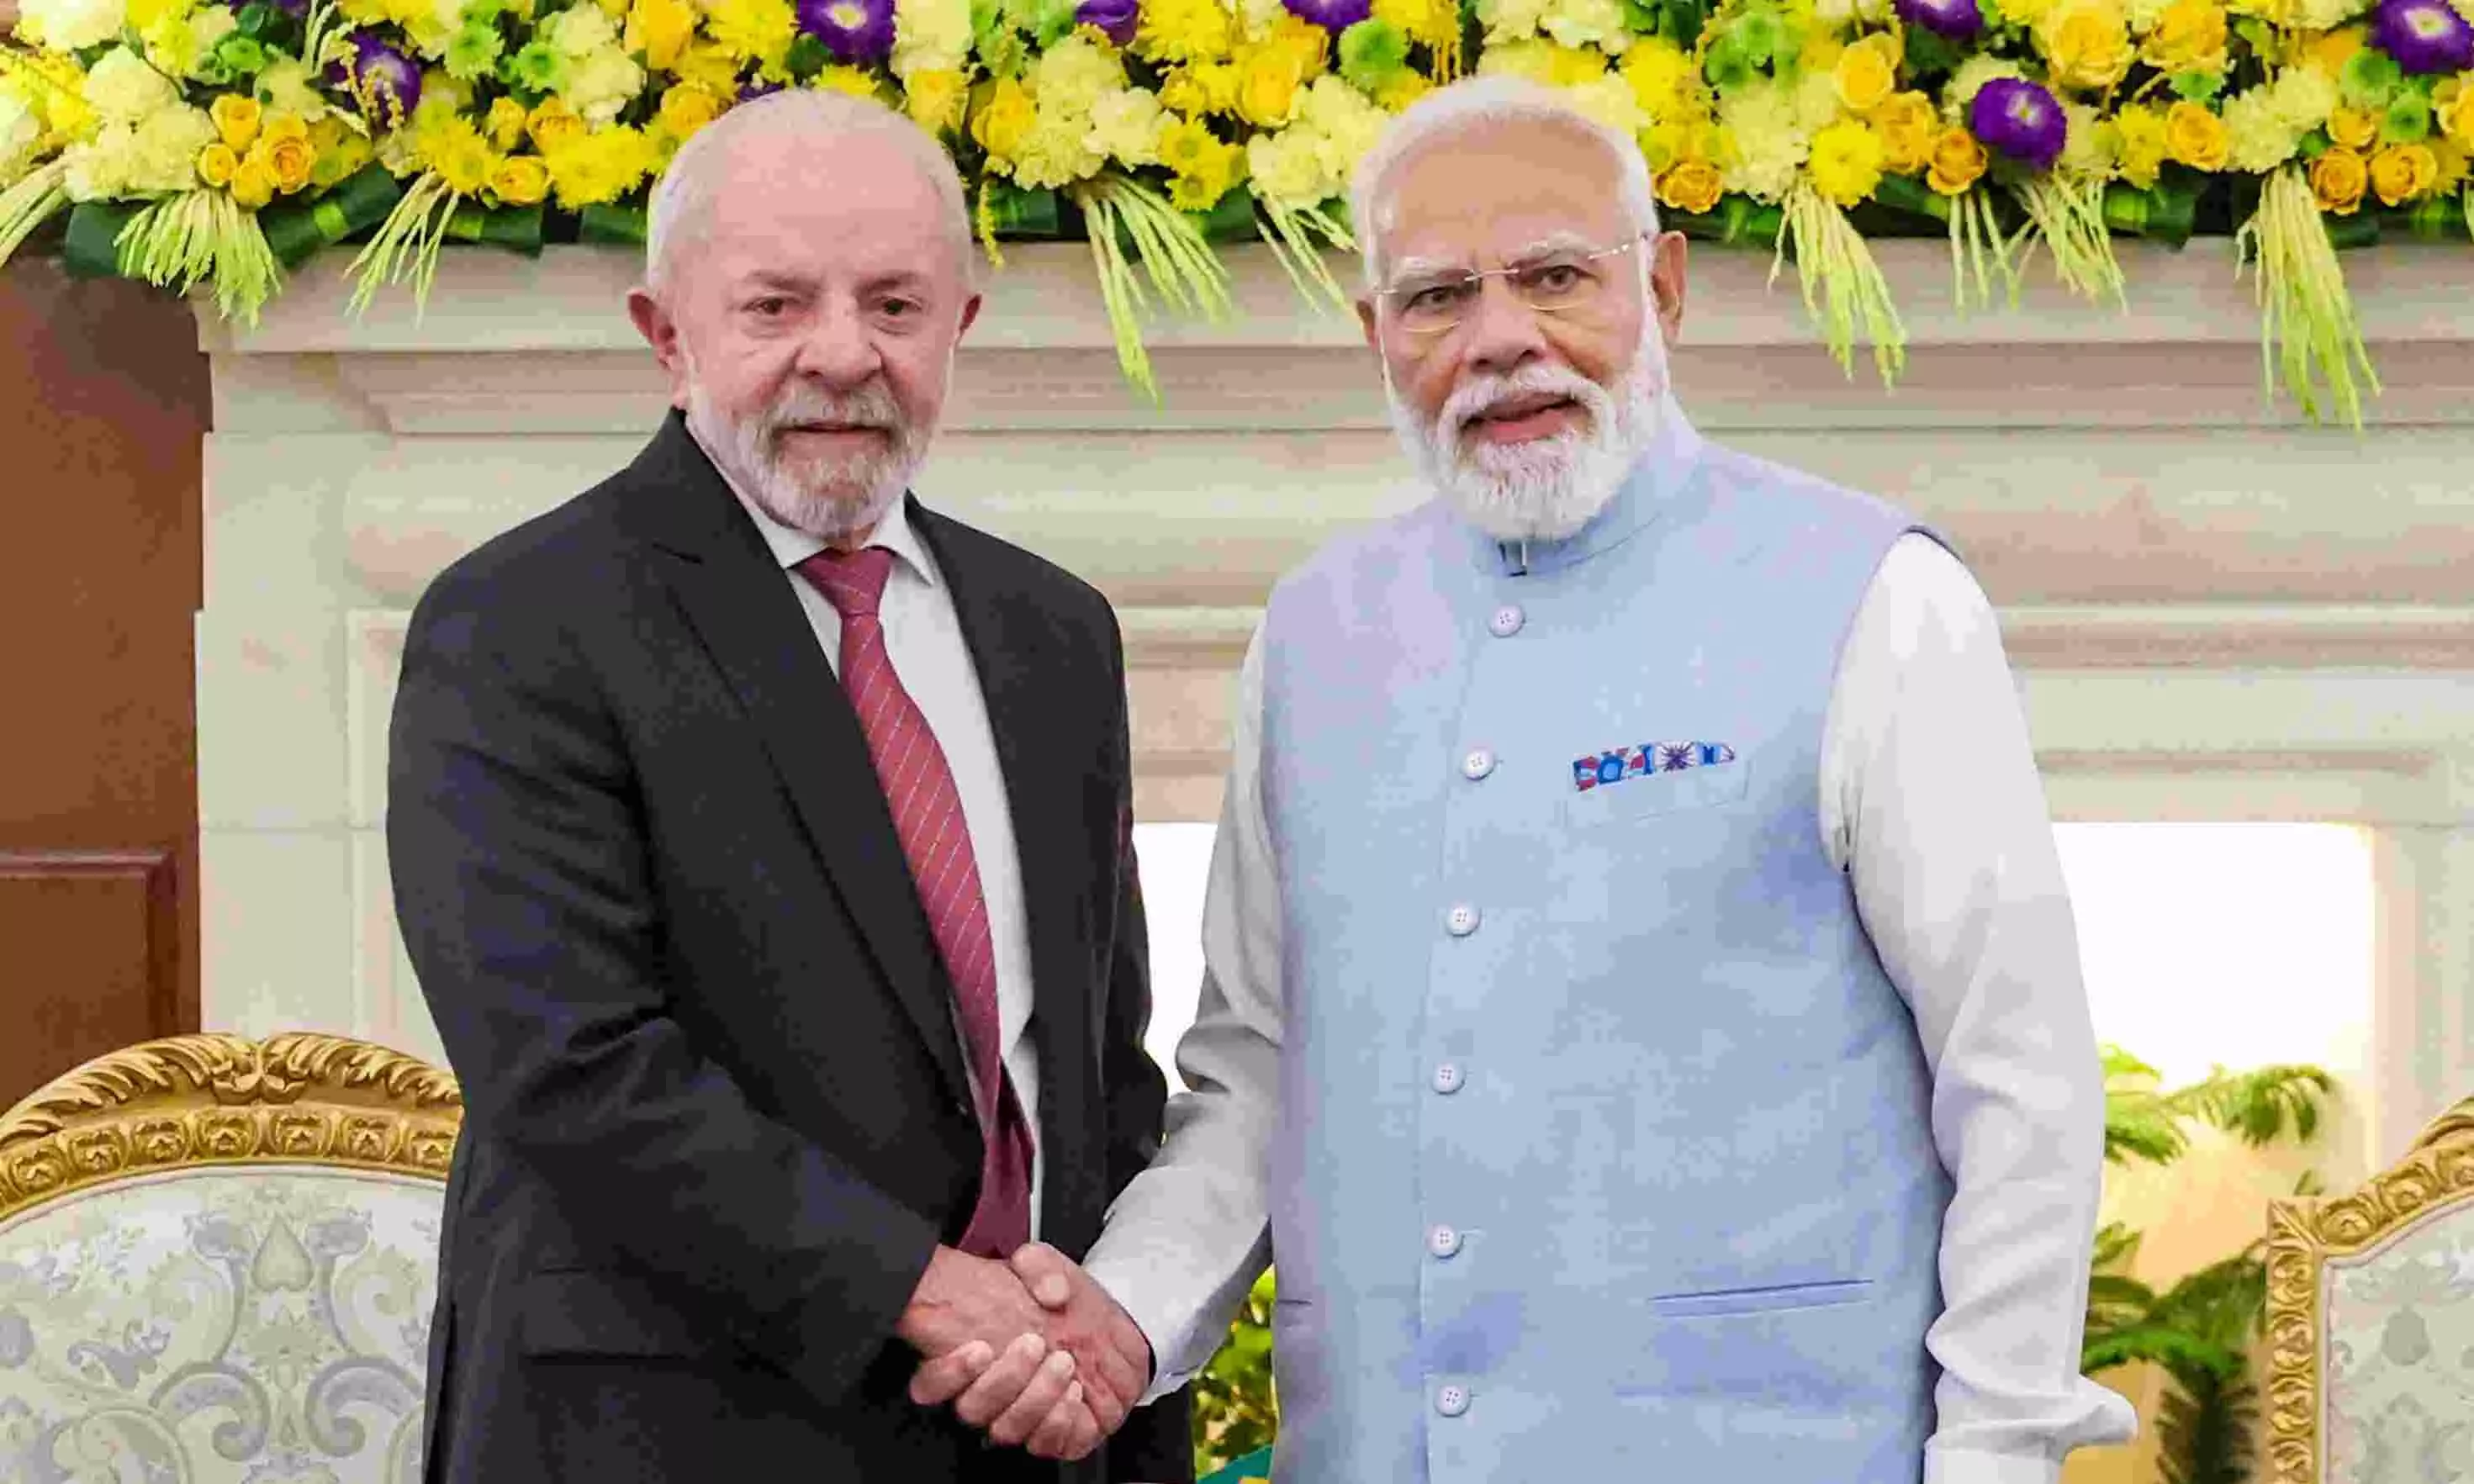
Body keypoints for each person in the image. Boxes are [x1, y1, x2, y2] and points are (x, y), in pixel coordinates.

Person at [949, 74, 2143, 1481]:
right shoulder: (1314, 629)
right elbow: (1260, 1066)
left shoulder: (1874, 595)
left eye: (1556, 278)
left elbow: (2017, 1079)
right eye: (1438, 296)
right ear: (1375, 335)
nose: (1502, 340)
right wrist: (1126, 1317)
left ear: (1668, 291)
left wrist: (1998, 1455)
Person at [386, 88, 1186, 1483]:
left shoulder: (1053, 630)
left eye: (893, 304)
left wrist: (1104, 1347)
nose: (842, 354)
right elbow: (573, 1071)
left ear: (959, 328)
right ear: (667, 338)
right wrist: (932, 1292)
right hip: (665, 1430)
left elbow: (1091, 1072)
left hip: (1024, 1432)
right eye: (774, 307)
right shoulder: (517, 619)